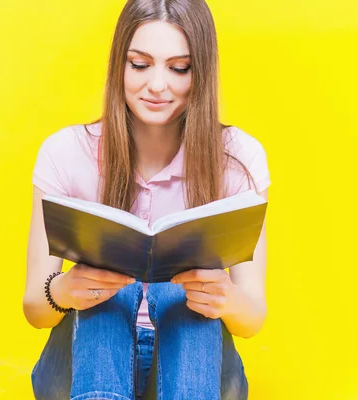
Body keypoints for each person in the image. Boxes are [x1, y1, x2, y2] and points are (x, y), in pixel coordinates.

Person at [23, 0, 270, 399]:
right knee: (112, 287)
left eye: (179, 68)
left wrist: (224, 297)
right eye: (140, 65)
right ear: (119, 64)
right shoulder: (64, 152)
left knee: (177, 293)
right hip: (85, 359)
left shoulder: (239, 158)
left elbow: (253, 317)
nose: (158, 85)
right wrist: (67, 288)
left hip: (196, 363)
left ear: (201, 71)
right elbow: (35, 307)